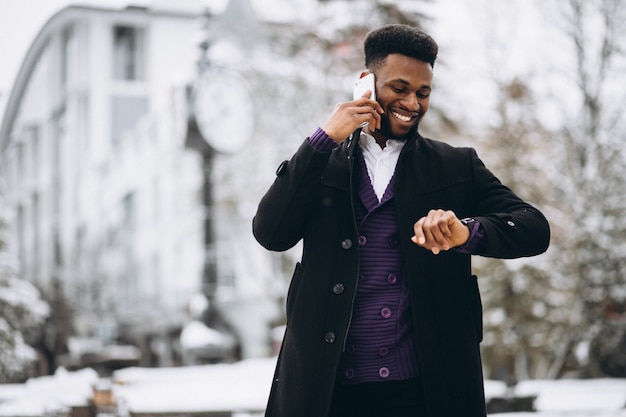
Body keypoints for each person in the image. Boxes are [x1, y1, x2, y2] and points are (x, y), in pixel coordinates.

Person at [252, 24, 550, 417]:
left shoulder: (456, 165)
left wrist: (467, 232)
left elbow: (533, 227)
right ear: (366, 83)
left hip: (425, 392)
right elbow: (271, 233)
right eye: (399, 88)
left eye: (423, 93)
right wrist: (322, 140)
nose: (412, 103)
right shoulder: (319, 165)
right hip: (327, 392)